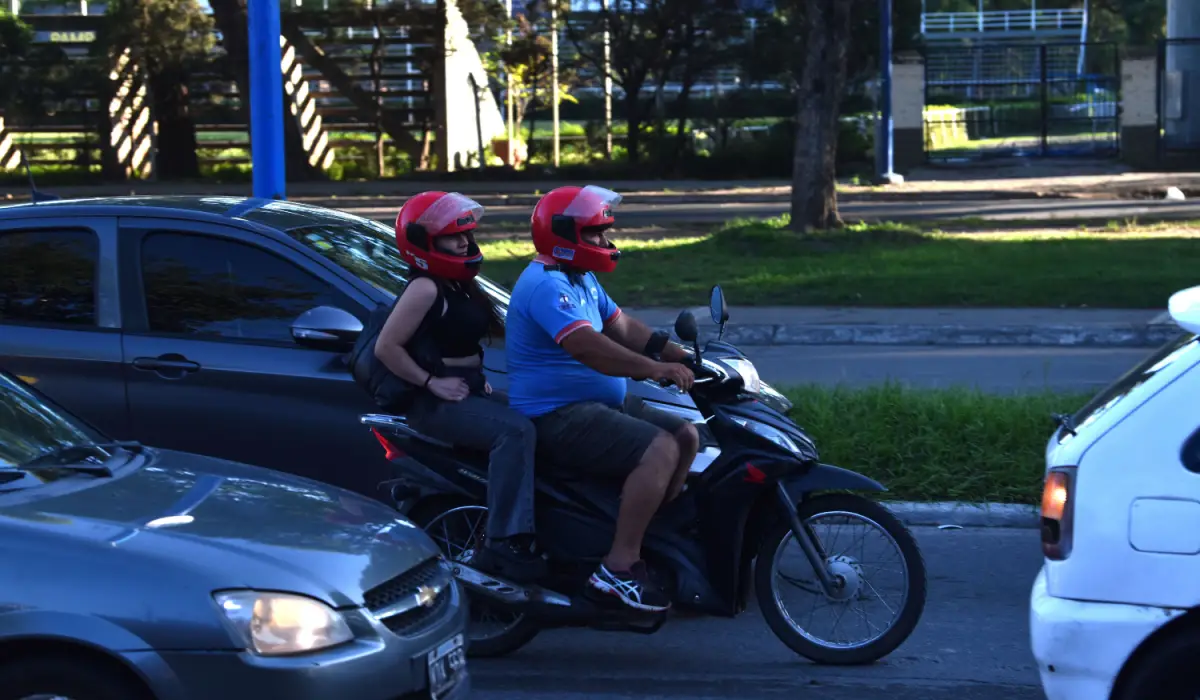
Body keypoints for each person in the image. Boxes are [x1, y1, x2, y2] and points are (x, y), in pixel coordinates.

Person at [503, 184, 701, 613]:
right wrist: (655, 369)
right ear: (564, 236)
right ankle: (618, 566)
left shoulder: (581, 279)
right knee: (659, 448)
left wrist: (684, 357)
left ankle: (645, 534)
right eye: (595, 234)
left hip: (594, 405)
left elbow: (624, 328)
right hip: (555, 413)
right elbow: (588, 347)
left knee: (686, 435)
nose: (606, 242)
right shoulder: (545, 286)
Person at [373, 190, 546, 584]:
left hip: (468, 389)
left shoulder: (459, 283)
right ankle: (503, 542)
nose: (465, 243)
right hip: (434, 402)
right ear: (424, 243)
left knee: (539, 415)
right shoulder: (426, 288)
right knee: (515, 431)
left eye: (466, 236)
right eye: (453, 238)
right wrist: (432, 383)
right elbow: (388, 347)